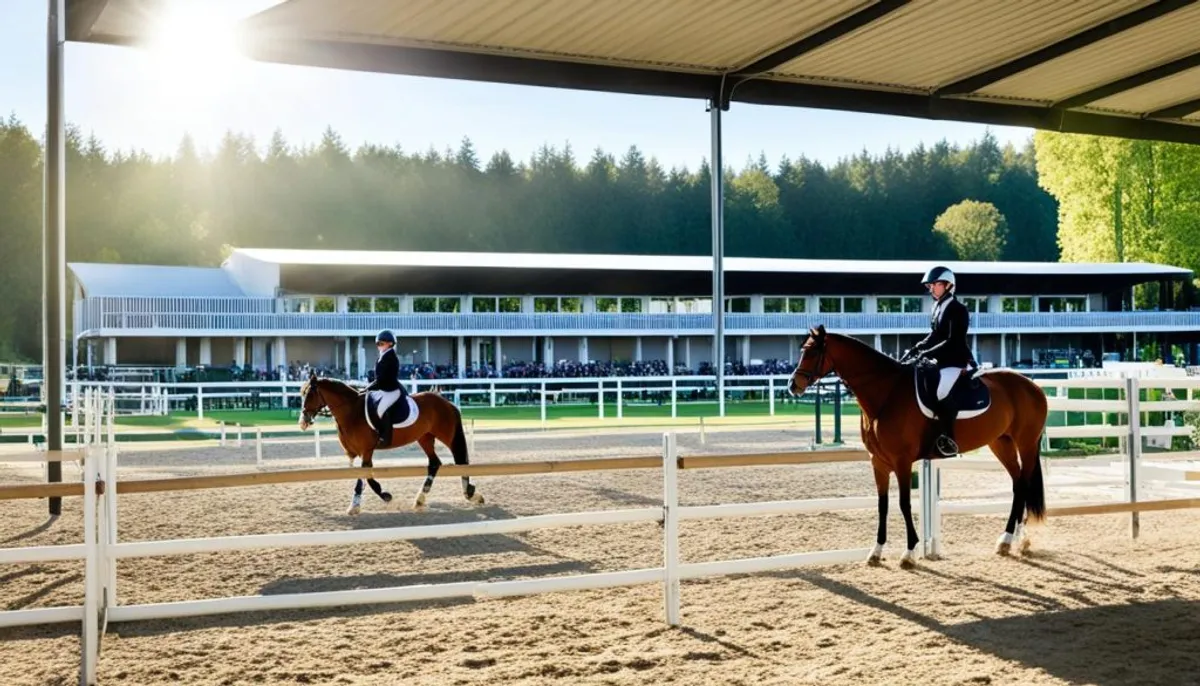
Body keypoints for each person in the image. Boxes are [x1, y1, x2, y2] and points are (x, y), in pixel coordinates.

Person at [901, 266, 975, 457]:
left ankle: (949, 439)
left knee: (941, 391)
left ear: (948, 285)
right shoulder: (937, 307)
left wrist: (926, 353)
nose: (931, 288)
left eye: (935, 284)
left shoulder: (958, 309)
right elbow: (935, 335)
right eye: (930, 285)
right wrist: (917, 348)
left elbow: (953, 340)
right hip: (941, 360)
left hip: (956, 360)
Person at [365, 329, 406, 447]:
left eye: (382, 343)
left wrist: (369, 387)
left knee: (381, 409)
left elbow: (382, 379)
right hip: (382, 388)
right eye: (378, 344)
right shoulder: (382, 357)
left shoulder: (391, 357)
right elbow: (378, 375)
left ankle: (385, 438)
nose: (379, 346)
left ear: (390, 344)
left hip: (391, 389)